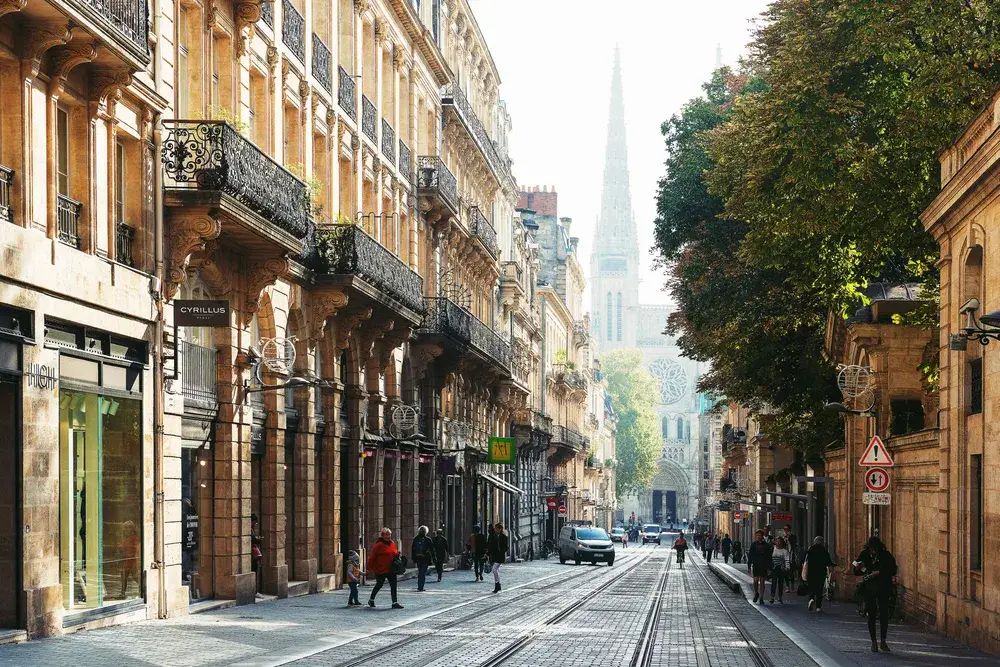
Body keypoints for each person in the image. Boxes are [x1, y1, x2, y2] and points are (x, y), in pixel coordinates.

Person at [853, 536, 897, 652]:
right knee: (871, 614)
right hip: (870, 588)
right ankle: (873, 642)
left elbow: (893, 569)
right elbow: (856, 572)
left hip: (883, 587)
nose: (872, 551)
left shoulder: (885, 555)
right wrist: (858, 567)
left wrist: (880, 572)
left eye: (874, 549)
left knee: (884, 614)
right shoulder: (865, 554)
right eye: (871, 549)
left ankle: (883, 641)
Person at [368, 527, 403, 609]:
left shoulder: (392, 543)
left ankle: (394, 602)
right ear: (383, 535)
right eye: (387, 535)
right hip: (381, 569)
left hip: (391, 568)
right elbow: (372, 557)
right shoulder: (379, 545)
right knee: (379, 585)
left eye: (390, 534)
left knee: (393, 585)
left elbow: (393, 553)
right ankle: (371, 599)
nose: (389, 536)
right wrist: (369, 568)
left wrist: (397, 554)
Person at [804, 535, 834, 612]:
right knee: (819, 589)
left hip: (811, 571)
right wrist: (832, 573)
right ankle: (818, 607)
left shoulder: (810, 549)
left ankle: (811, 599)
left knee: (811, 587)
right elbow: (829, 563)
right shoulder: (824, 551)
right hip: (821, 572)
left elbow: (805, 561)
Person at [747, 530, 772, 604]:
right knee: (755, 580)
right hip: (756, 564)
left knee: (762, 581)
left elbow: (769, 557)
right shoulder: (753, 545)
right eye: (757, 535)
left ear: (762, 536)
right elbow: (750, 555)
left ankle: (761, 597)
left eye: (759, 535)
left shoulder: (766, 545)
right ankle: (756, 593)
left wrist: (769, 567)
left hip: (763, 565)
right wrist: (749, 566)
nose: (758, 537)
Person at [120, 520, 140, 598]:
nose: (127, 529)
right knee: (124, 578)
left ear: (132, 529)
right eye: (125, 527)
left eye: (129, 527)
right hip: (126, 561)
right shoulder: (124, 539)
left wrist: (137, 562)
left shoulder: (135, 538)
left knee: (135, 577)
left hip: (133, 561)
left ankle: (143, 589)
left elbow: (137, 551)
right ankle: (122, 593)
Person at [411, 525, 434, 592]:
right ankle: (420, 586)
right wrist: (433, 559)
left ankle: (420, 586)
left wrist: (413, 558)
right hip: (424, 558)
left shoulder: (415, 539)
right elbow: (432, 550)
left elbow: (413, 549)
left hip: (418, 558)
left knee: (420, 572)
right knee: (422, 573)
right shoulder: (428, 539)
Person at [769, 536, 791, 604]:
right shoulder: (773, 549)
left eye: (779, 541)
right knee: (774, 582)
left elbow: (787, 559)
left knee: (781, 583)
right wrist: (769, 567)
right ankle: (772, 597)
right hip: (774, 568)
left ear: (782, 542)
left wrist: (787, 567)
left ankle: (780, 597)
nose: (778, 543)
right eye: (777, 541)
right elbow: (769, 558)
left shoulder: (785, 551)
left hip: (782, 568)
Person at [488, 522, 508, 593]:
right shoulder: (493, 536)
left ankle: (497, 584)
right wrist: (487, 554)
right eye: (495, 528)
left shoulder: (504, 537)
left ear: (500, 529)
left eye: (496, 528)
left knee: (494, 569)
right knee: (496, 570)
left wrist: (501, 551)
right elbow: (491, 546)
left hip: (500, 556)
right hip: (494, 555)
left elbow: (506, 547)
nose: (495, 530)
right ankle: (498, 585)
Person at [250, 514, 263, 598]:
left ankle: (254, 591)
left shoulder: (251, 529)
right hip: (251, 555)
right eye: (254, 522)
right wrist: (258, 539)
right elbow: (252, 539)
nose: (255, 524)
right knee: (254, 570)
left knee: (255, 570)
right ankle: (254, 591)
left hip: (251, 555)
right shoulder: (249, 529)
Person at [784, 524, 799, 594]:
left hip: (791, 556)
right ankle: (788, 586)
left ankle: (792, 585)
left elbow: (794, 545)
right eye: (785, 529)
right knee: (786, 572)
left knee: (791, 572)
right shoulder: (784, 537)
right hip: (785, 555)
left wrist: (788, 538)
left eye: (787, 529)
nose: (786, 531)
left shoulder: (793, 536)